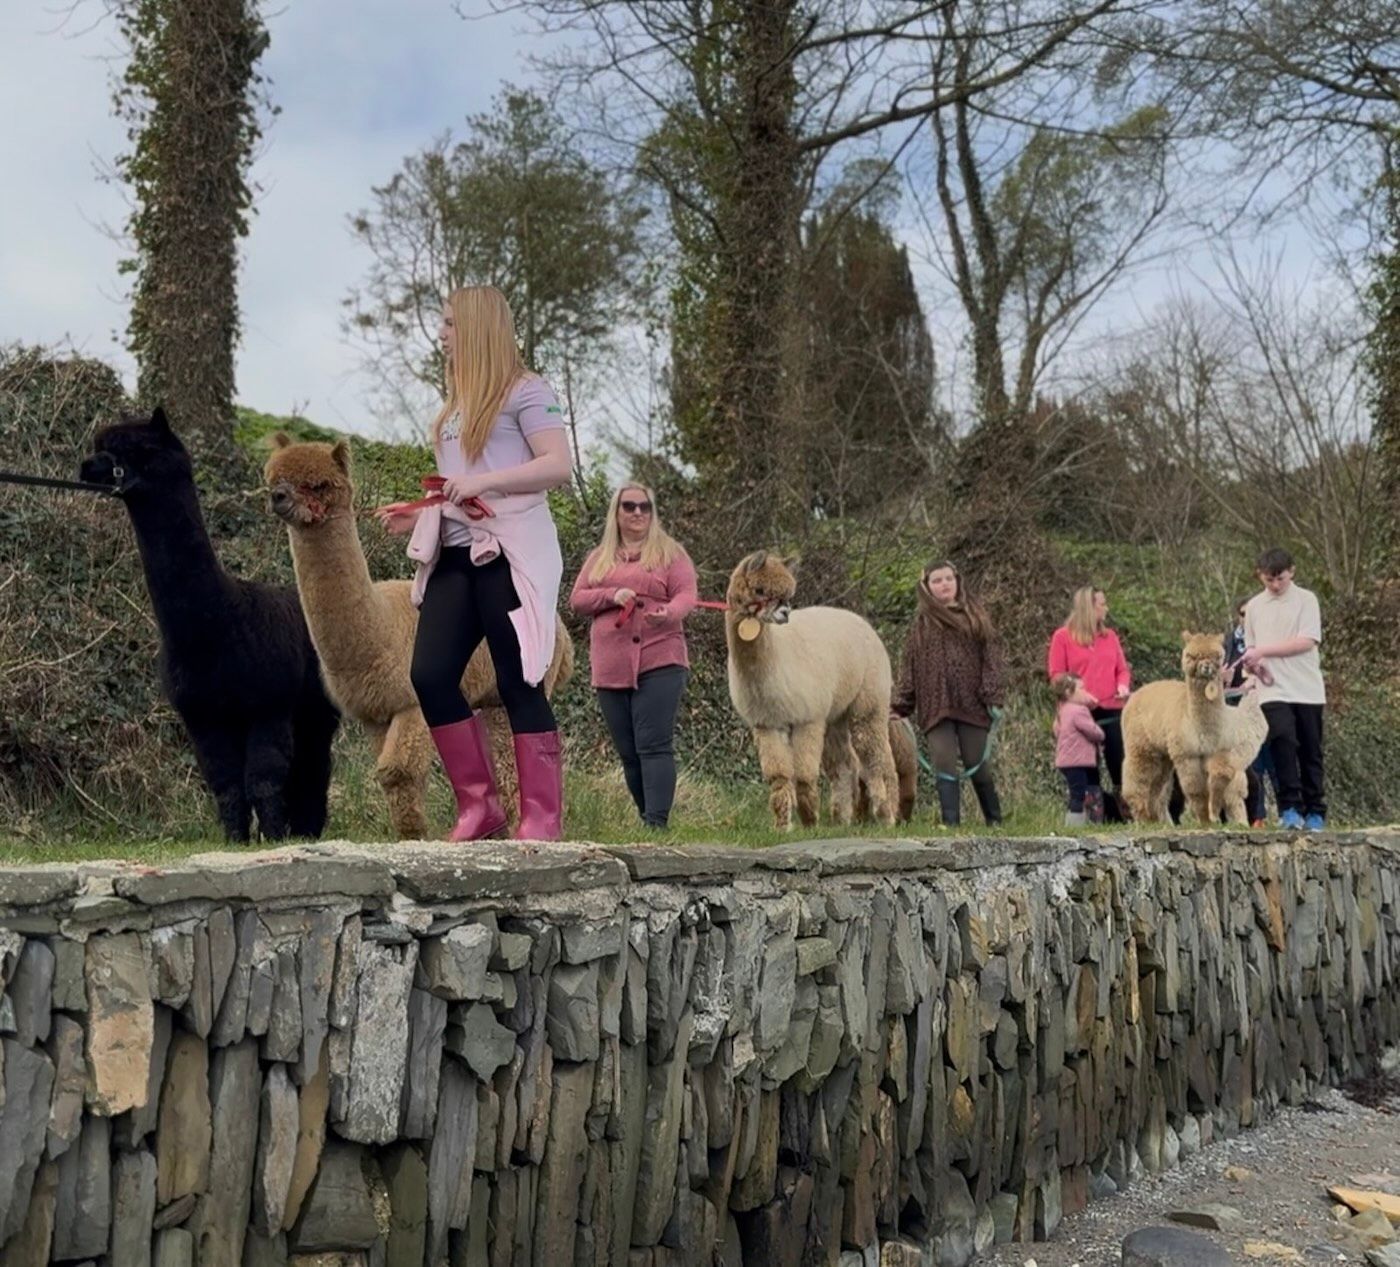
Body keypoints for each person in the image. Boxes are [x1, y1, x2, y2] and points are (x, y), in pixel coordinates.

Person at [379, 285, 572, 842]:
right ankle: (479, 808)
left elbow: (557, 465)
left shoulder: (528, 391)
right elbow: (457, 486)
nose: (441, 332)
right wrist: (419, 513)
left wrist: (484, 482)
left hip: (509, 550)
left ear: (477, 326)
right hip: (458, 554)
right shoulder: (456, 404)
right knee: (431, 674)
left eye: (449, 323)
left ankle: (542, 817)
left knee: (518, 681)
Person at [569, 484, 697, 828]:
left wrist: (668, 613)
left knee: (653, 743)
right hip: (611, 664)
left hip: (661, 657)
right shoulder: (599, 558)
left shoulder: (671, 554)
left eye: (645, 507)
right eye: (629, 506)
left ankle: (657, 822)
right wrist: (612, 595)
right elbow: (577, 599)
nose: (638, 513)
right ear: (617, 512)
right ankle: (646, 817)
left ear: (653, 513)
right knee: (628, 750)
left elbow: (687, 595)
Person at [891, 561, 1005, 827]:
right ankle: (950, 824)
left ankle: (995, 822)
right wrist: (900, 706)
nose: (944, 585)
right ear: (927, 587)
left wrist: (992, 695)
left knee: (978, 764)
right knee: (944, 765)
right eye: (937, 581)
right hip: (936, 706)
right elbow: (910, 668)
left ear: (957, 581)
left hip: (973, 704)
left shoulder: (976, 617)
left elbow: (992, 660)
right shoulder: (921, 626)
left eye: (948, 579)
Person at [1243, 547, 1326, 830]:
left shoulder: (1307, 600)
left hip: (1307, 688)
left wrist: (1264, 651)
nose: (1276, 586)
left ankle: (1316, 809)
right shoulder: (1254, 607)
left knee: (1310, 750)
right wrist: (1253, 666)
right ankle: (1290, 807)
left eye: (1280, 579)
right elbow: (1251, 648)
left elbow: (1306, 641)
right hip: (1273, 689)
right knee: (1283, 743)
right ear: (1260, 576)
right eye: (1270, 580)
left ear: (1292, 571)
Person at [1046, 587, 1131, 820]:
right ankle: (1094, 816)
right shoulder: (1062, 637)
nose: (1106, 608)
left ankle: (1128, 814)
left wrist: (1123, 685)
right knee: (1085, 766)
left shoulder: (1110, 636)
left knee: (1119, 763)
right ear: (1089, 607)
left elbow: (1122, 669)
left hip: (1112, 708)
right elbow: (1057, 675)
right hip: (1080, 712)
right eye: (1102, 604)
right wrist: (1077, 696)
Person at [1052, 673, 1105, 826]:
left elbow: (1057, 731)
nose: (1085, 692)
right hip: (1077, 762)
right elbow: (1093, 731)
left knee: (1081, 791)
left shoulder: (1061, 711)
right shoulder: (1078, 711)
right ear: (1070, 693)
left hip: (1067, 762)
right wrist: (1101, 733)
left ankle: (1086, 822)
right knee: (1079, 795)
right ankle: (1076, 826)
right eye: (1082, 689)